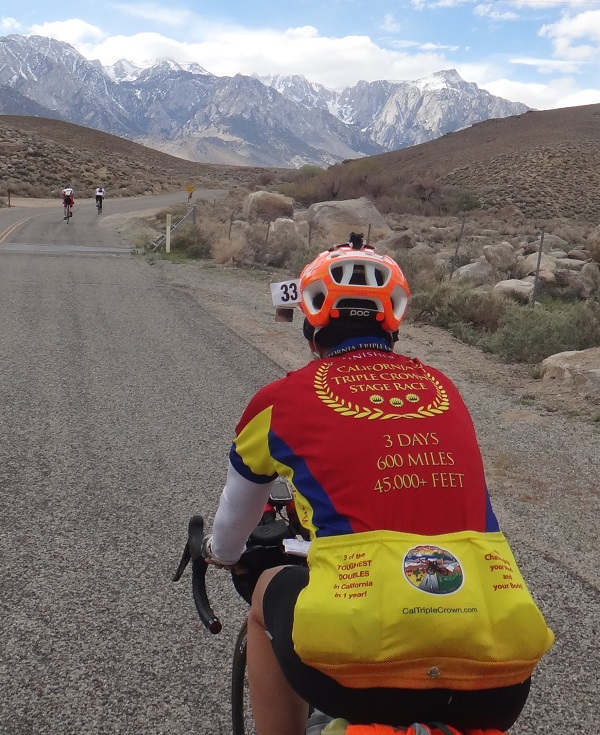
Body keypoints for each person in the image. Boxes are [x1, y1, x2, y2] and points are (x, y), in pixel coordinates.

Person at [203, 243, 554, 735]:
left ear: (310, 325)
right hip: (501, 673)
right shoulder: (443, 389)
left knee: (265, 595)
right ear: (393, 325)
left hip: (355, 668)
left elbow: (232, 523)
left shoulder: (280, 400)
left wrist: (221, 552)